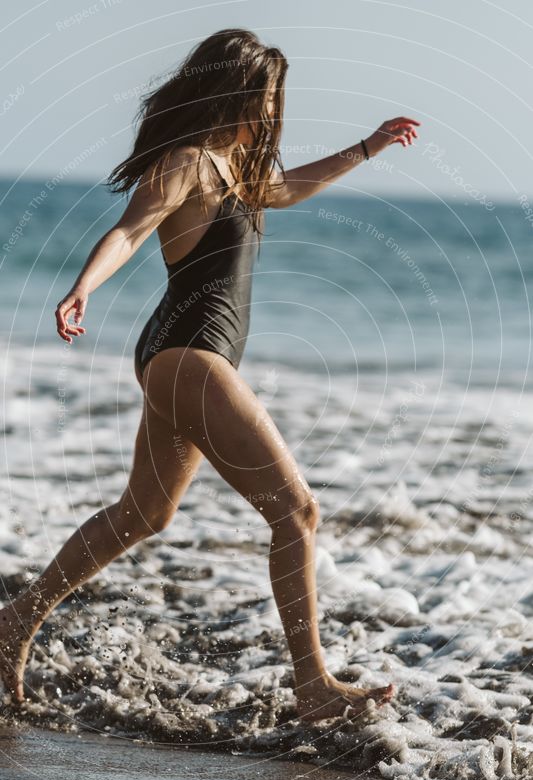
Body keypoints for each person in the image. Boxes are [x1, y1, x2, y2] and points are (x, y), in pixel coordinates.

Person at [0, 28, 420, 721]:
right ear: (240, 91)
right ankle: (313, 687)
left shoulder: (237, 169)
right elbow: (131, 229)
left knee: (144, 513)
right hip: (188, 353)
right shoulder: (190, 162)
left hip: (184, 358)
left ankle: (16, 616)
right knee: (297, 510)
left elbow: (287, 188)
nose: (274, 112)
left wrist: (368, 146)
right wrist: (82, 288)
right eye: (268, 97)